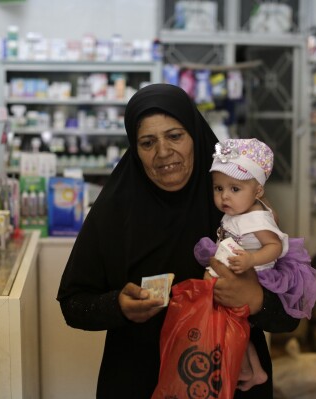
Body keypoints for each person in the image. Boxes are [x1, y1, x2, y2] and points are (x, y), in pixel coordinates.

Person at [57, 83, 300, 399]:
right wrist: (118, 306)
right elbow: (74, 303)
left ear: (196, 137)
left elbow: (291, 315)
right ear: (135, 147)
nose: (163, 153)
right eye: (147, 142)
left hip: (227, 377)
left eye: (174, 136)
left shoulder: (237, 204)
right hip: (141, 379)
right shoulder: (115, 211)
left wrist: (255, 299)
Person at [194, 138, 316, 392]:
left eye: (234, 189)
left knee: (227, 320)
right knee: (238, 328)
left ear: (258, 192)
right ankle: (254, 371)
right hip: (237, 264)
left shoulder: (256, 219)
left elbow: (275, 246)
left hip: (254, 274)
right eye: (218, 188)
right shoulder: (240, 211)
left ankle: (249, 370)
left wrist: (251, 260)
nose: (224, 197)